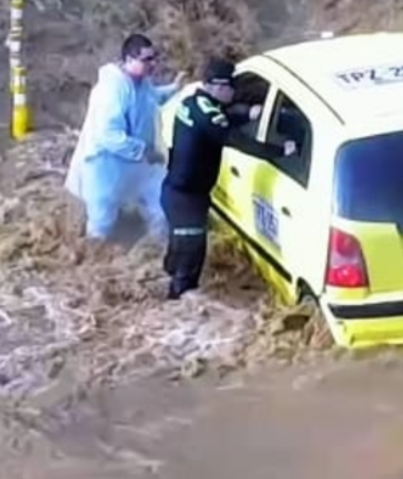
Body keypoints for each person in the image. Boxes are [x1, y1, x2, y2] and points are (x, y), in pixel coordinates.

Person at [160, 58, 297, 300]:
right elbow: (237, 140)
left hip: (177, 191)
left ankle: (167, 284)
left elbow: (218, 117)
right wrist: (281, 151)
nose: (235, 93)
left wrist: (248, 114)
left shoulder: (192, 102)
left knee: (180, 248)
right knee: (190, 255)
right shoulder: (211, 117)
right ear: (219, 87)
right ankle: (176, 301)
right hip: (188, 197)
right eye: (232, 88)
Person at [65, 33, 185, 242]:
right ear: (129, 60)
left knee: (160, 207)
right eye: (147, 59)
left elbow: (152, 98)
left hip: (138, 164)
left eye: (154, 58)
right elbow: (108, 135)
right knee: (102, 223)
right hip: (106, 167)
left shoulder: (141, 82)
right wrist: (145, 151)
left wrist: (174, 88)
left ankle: (156, 253)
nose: (153, 64)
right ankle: (93, 261)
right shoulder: (112, 90)